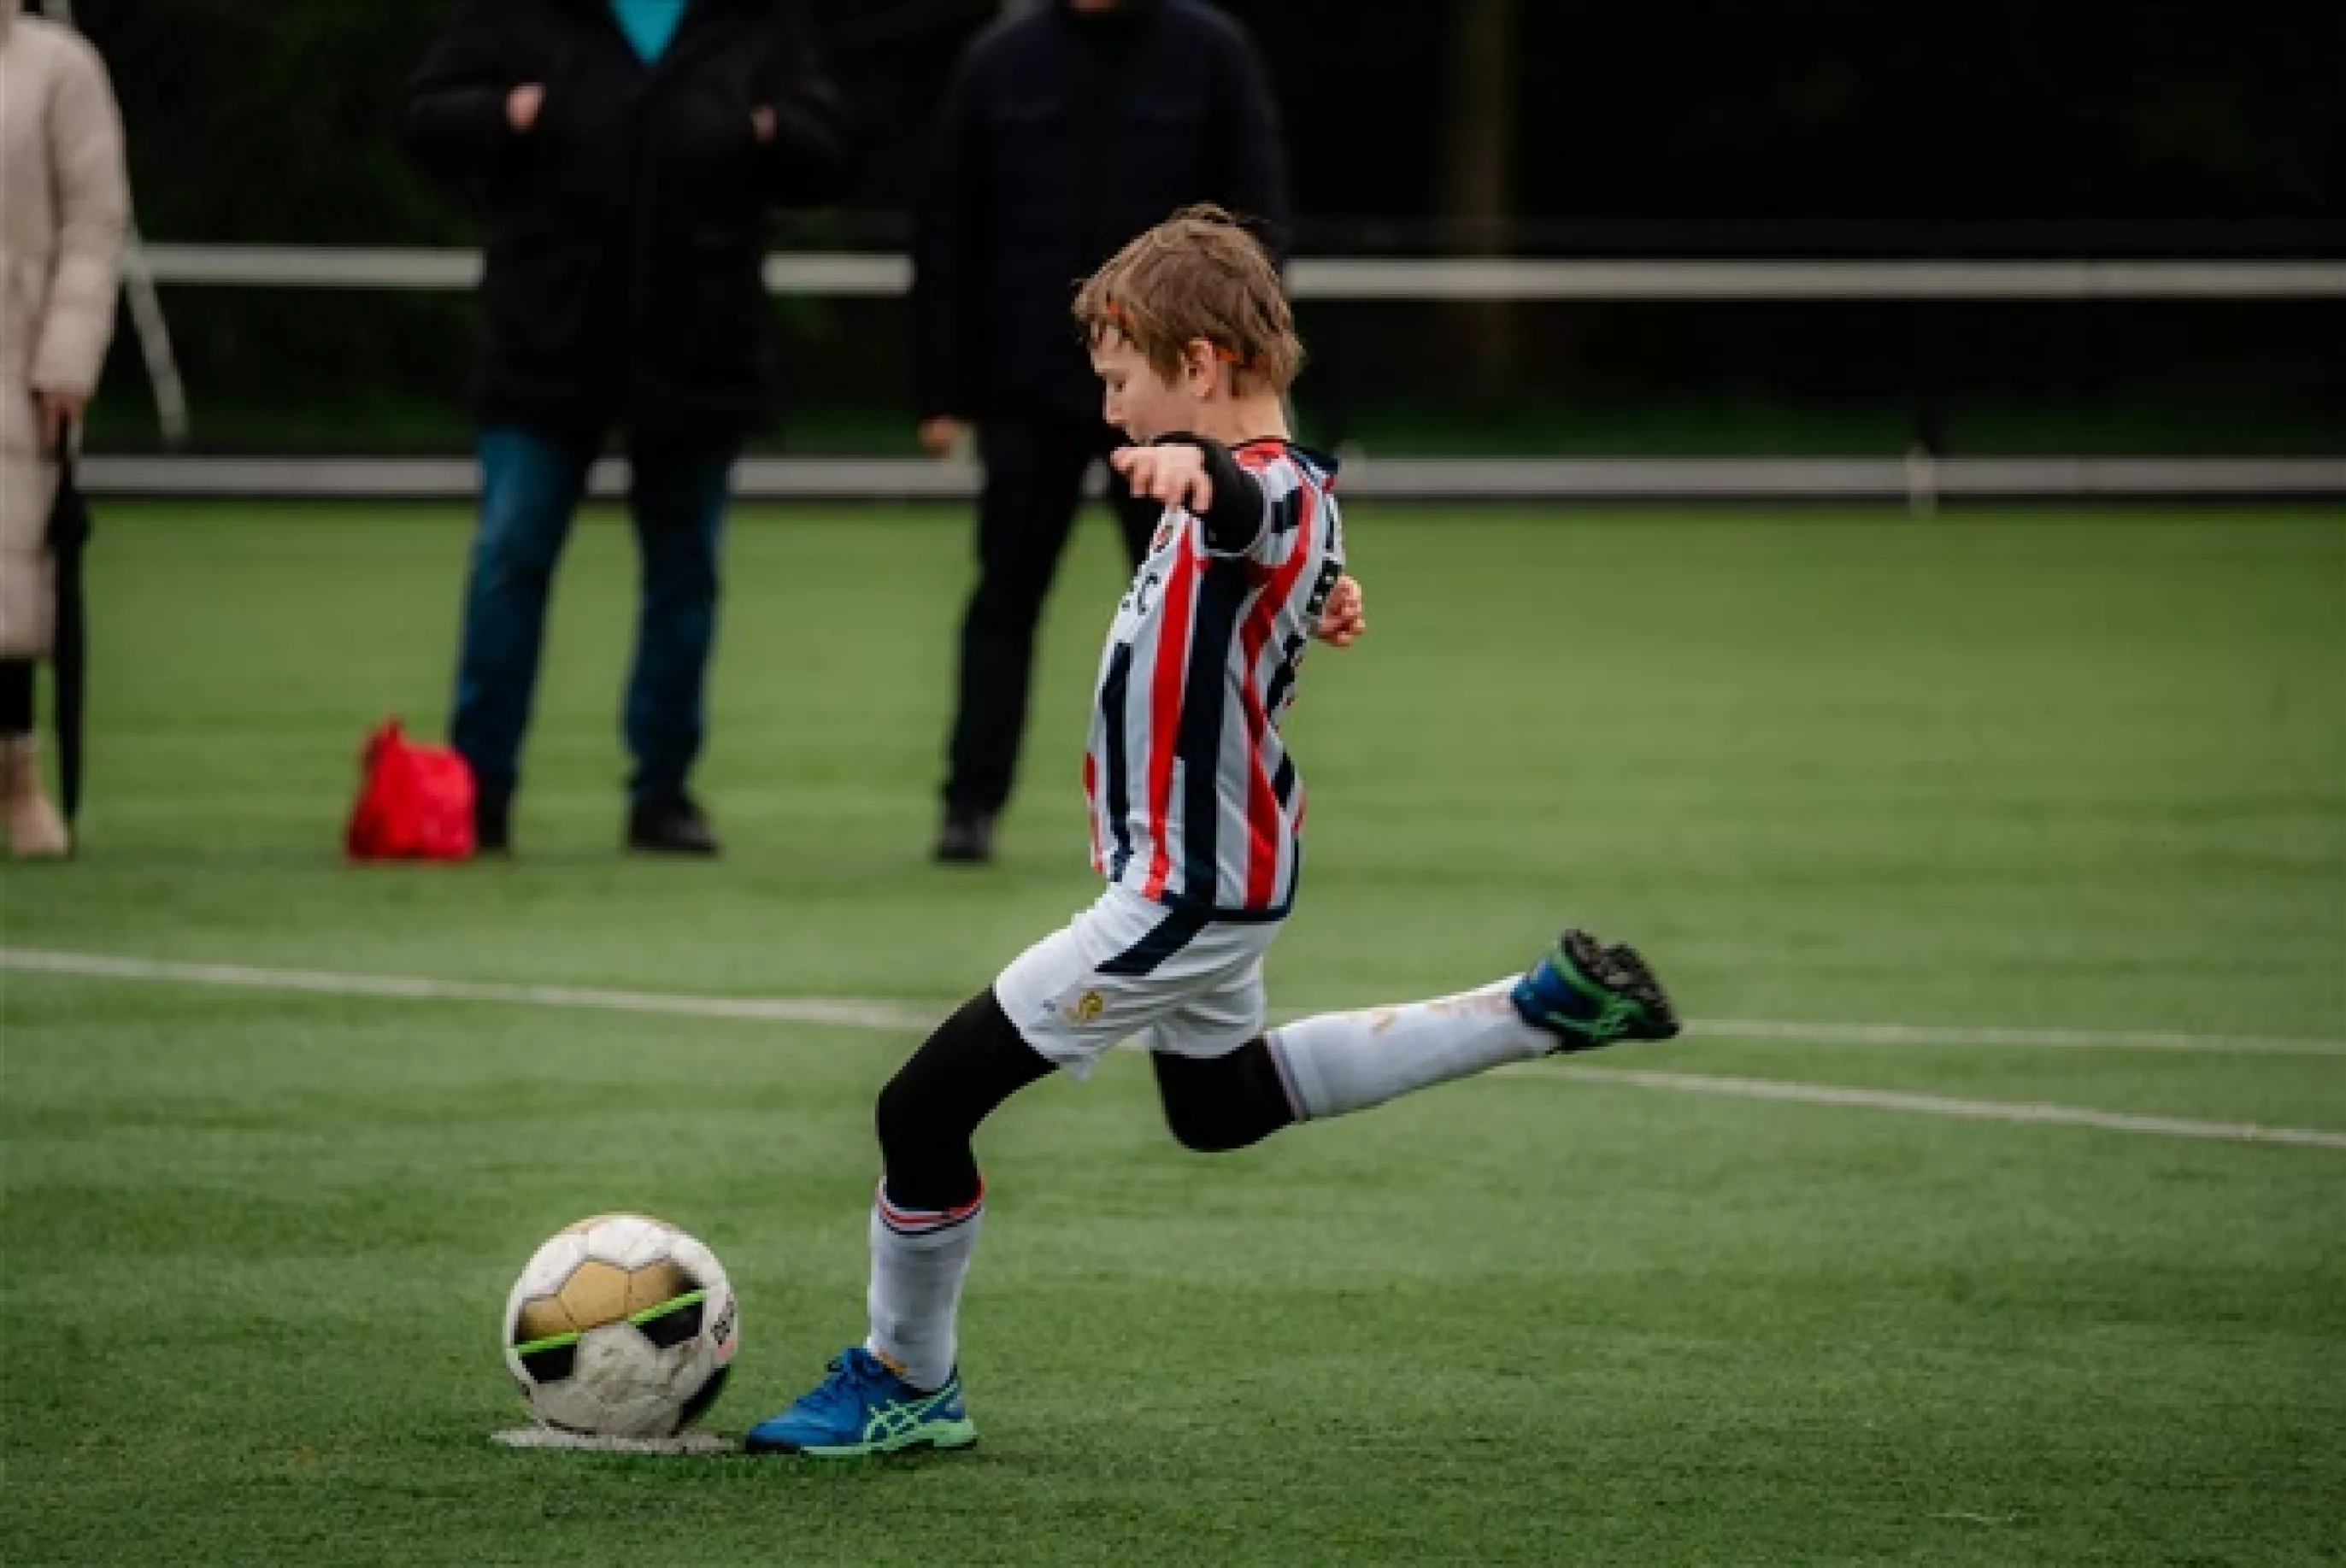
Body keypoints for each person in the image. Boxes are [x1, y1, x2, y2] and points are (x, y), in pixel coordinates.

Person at [744, 208, 1681, 1459]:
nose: (1113, 414)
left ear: (1200, 368)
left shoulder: (1257, 489)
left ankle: (909, 1375)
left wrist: (1208, 478)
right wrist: (1286, 561)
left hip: (1184, 891)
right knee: (1220, 1105)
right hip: (1211, 872)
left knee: (920, 1107)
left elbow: (1251, 505)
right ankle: (1539, 1005)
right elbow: (1273, 549)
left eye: (1124, 382)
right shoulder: (1290, 500)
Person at [402, 0, 851, 856]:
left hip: (697, 351)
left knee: (685, 575)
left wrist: (771, 130)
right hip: (544, 341)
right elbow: (424, 121)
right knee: (510, 557)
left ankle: (662, 793)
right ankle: (480, 790)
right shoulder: (520, 17)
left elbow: (832, 150)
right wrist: (505, 113)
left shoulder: (753, 25)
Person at [916, 0, 1290, 864]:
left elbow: (1259, 230)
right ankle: (970, 803)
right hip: (1026, 388)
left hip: (1178, 406)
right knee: (1004, 599)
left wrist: (1245, 379)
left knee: (1196, 607)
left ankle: (1207, 805)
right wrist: (943, 387)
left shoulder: (1211, 53)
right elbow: (950, 231)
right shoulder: (1000, 59)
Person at [0, 5, 126, 860]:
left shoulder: (57, 66)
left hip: (14, 356)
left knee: (9, 580)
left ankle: (16, 775)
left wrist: (69, 354)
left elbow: (92, 222)